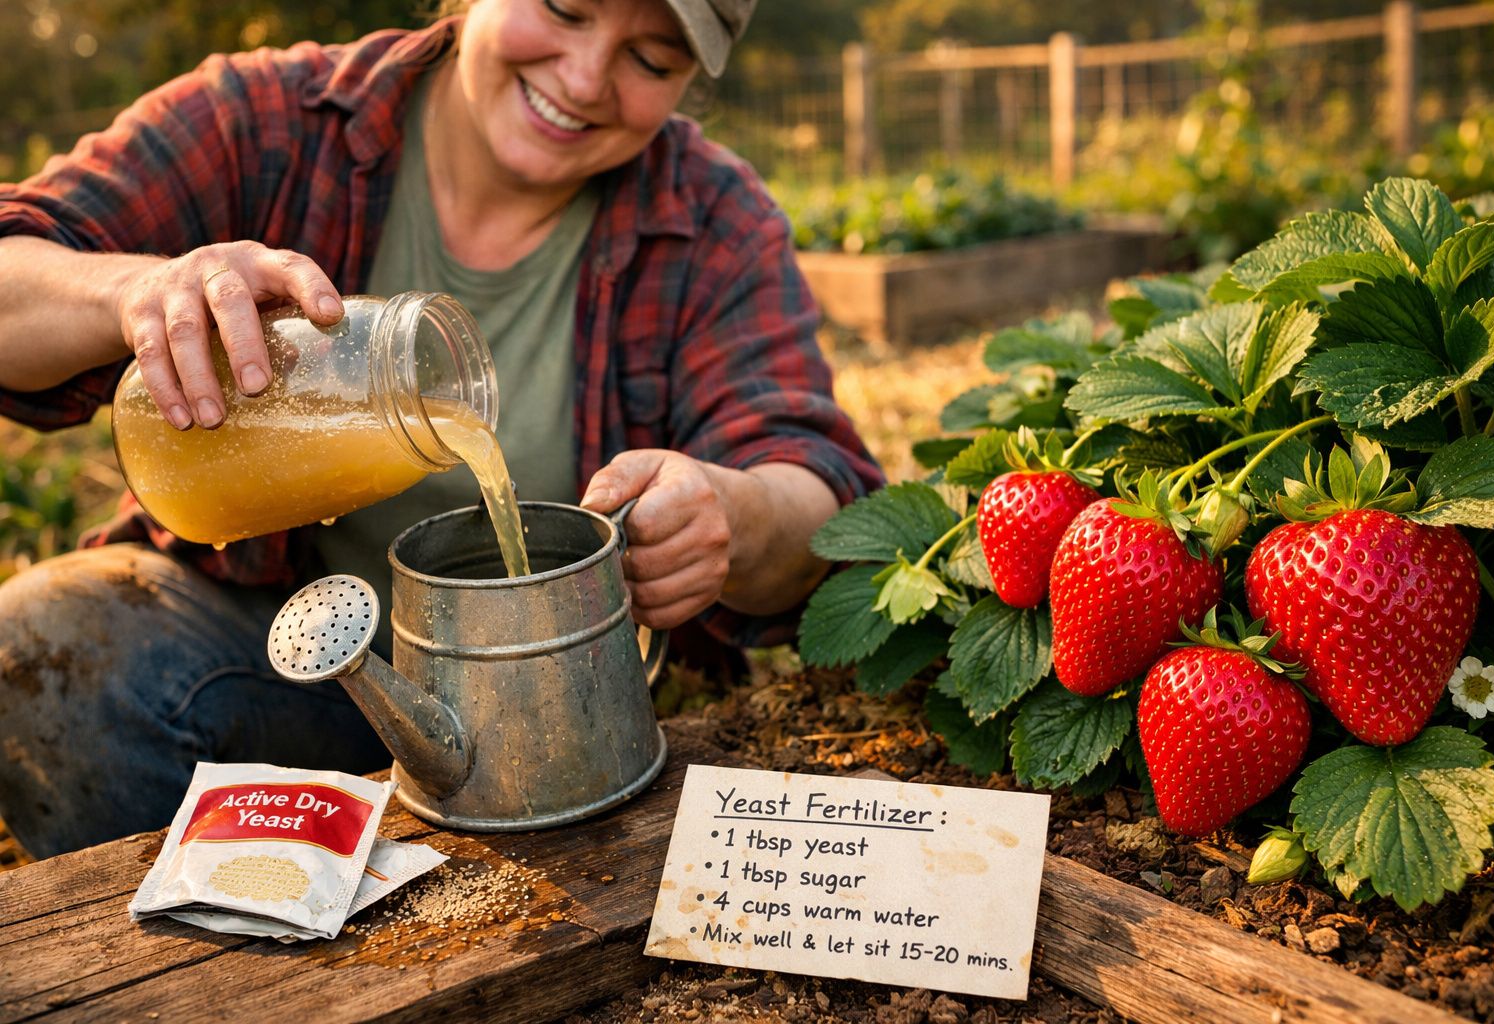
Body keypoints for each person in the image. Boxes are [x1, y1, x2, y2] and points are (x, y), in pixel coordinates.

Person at [0, 0, 883, 858]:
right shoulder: (266, 122)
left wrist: (730, 512)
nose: (584, 80)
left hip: (564, 716)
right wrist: (131, 292)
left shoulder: (714, 219)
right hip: (284, 665)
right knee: (41, 647)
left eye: (650, 60)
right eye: (565, 10)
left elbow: (817, 491)